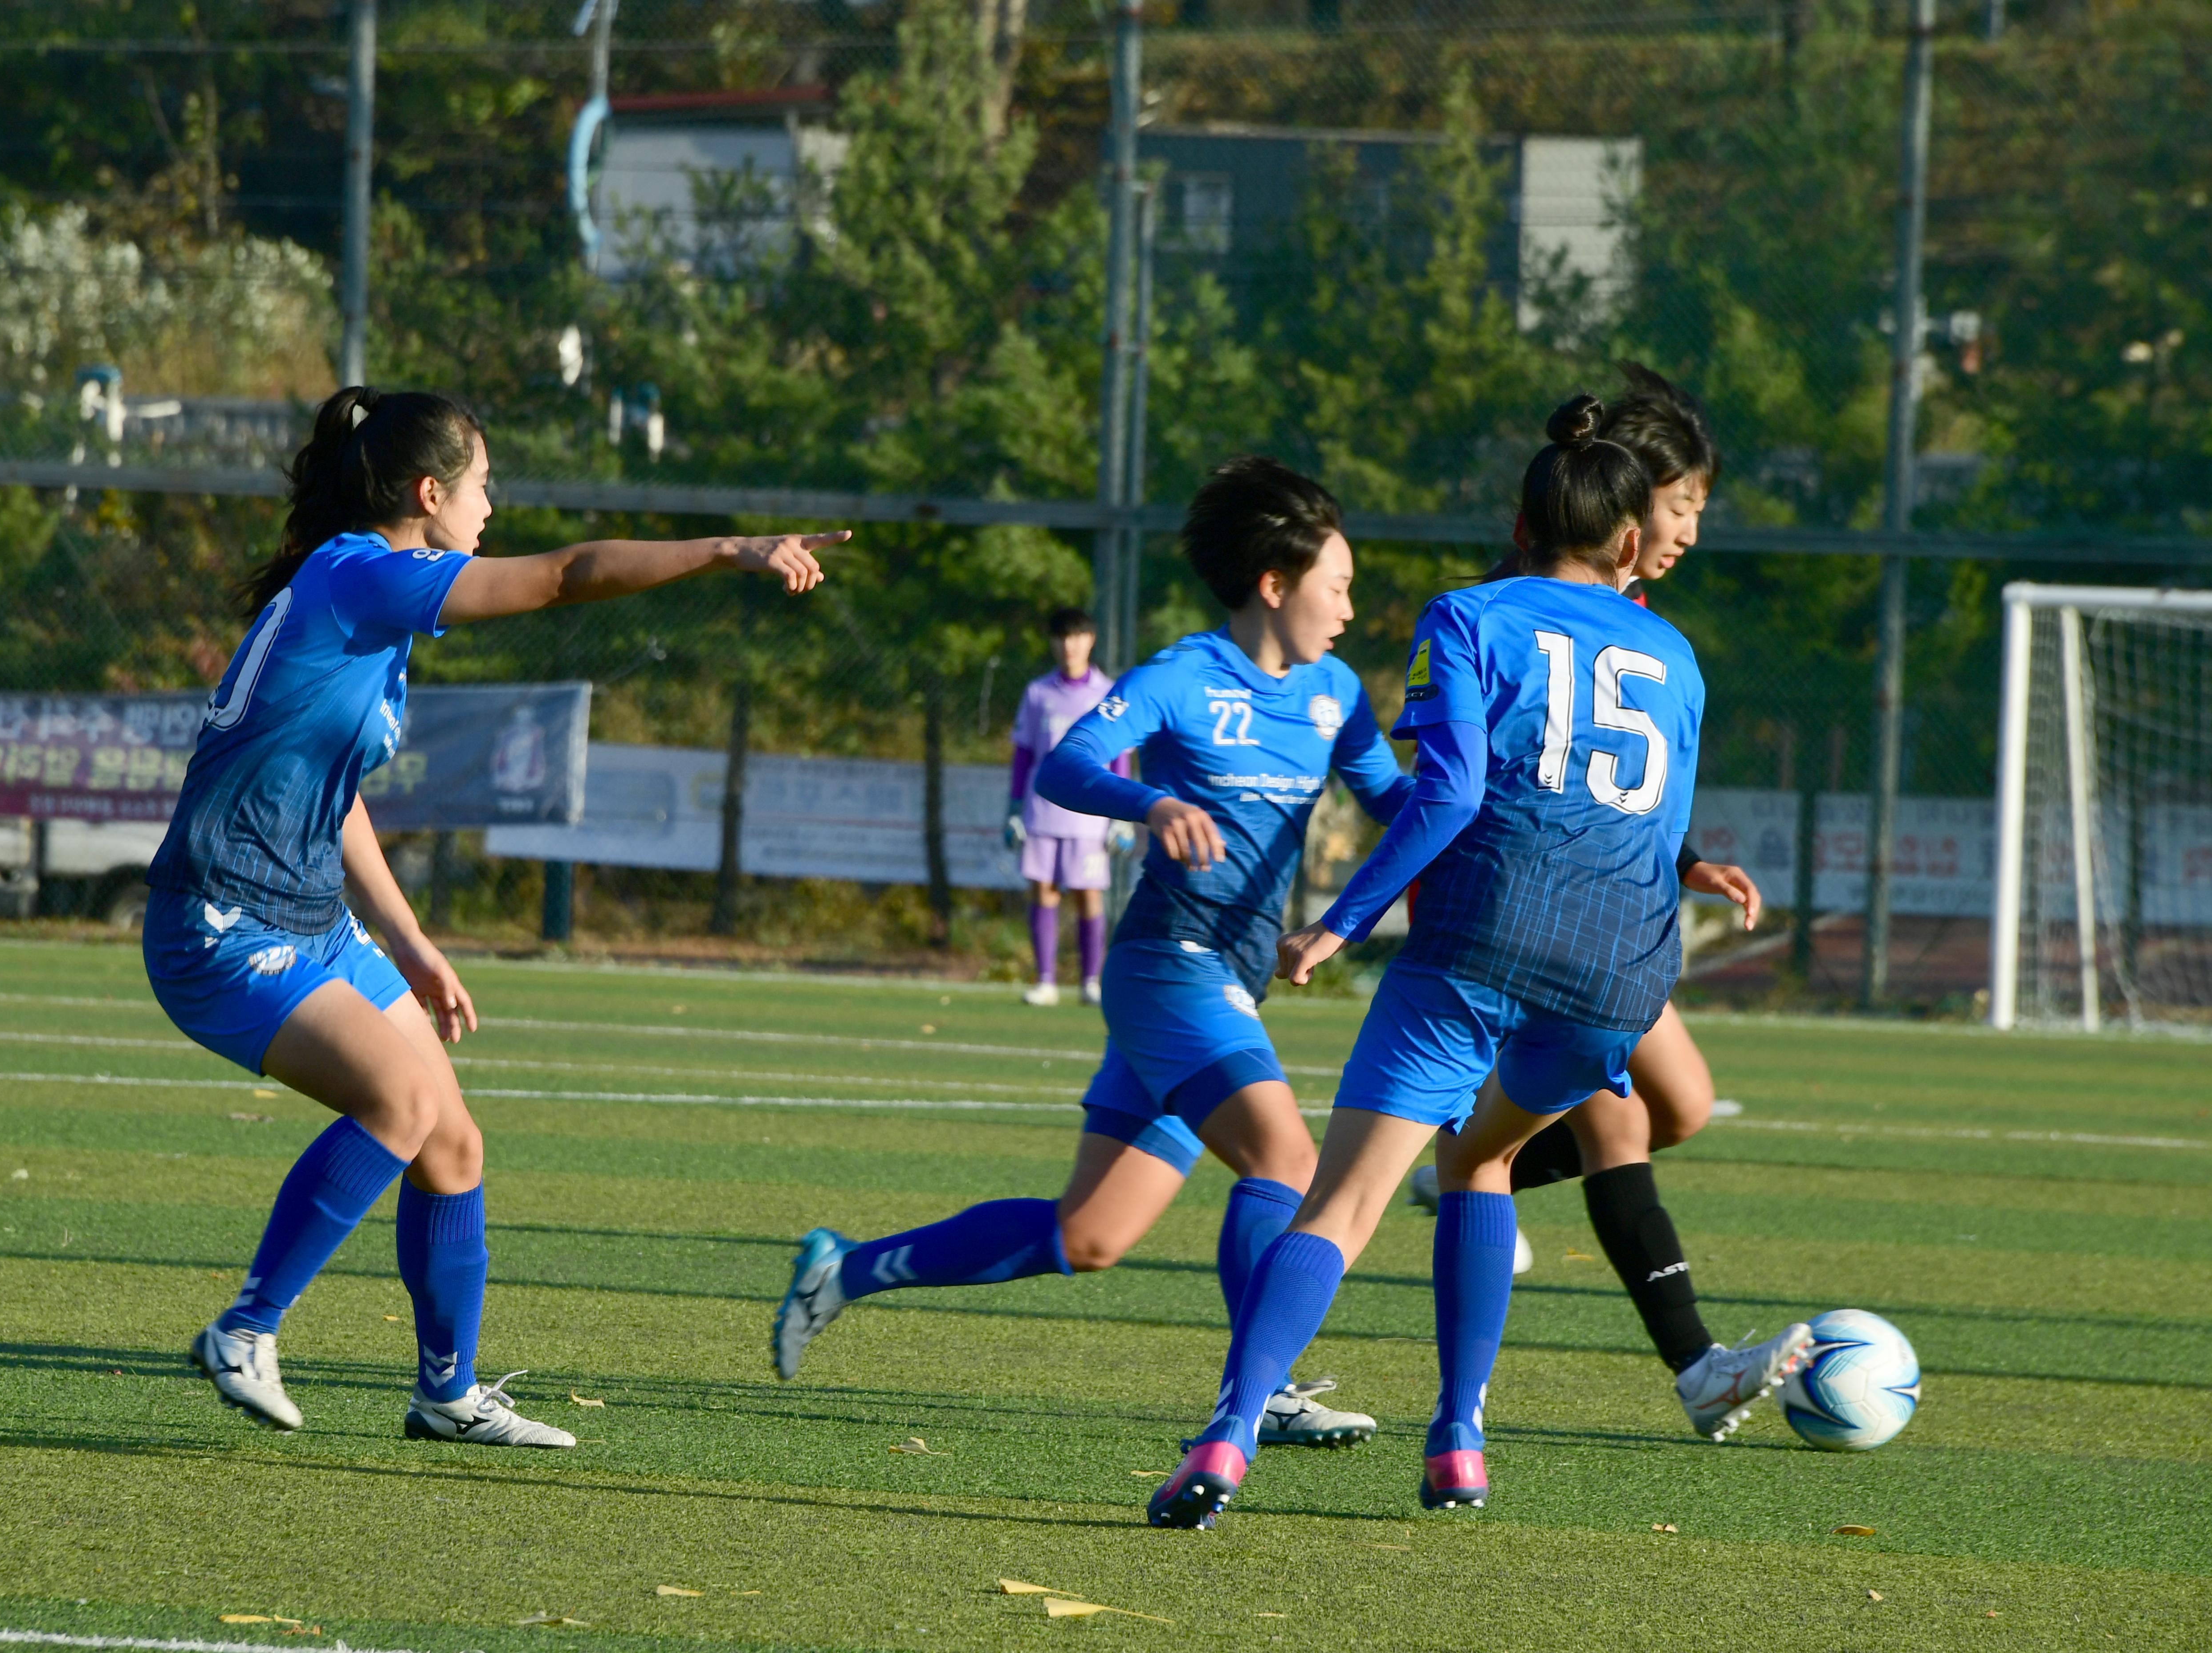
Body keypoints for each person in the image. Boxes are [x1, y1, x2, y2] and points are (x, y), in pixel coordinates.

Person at [1145, 395, 1808, 1529]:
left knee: (1342, 1205)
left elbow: (1448, 793)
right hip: (1617, 978)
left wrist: (1343, 922)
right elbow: (1653, 827)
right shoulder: (1677, 654)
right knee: (1480, 1163)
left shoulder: (1465, 615)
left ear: (1520, 514)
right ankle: (1458, 1440)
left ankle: (1227, 1434)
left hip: (1480, 939)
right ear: (1631, 543)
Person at [156, 386, 839, 1442]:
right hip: (222, 923)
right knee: (397, 1103)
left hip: (307, 915)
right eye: (483, 484)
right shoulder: (360, 575)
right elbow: (569, 576)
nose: (493, 506)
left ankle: (447, 1395)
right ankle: (245, 1328)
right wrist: (726, 551)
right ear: (429, 495)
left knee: (454, 1145)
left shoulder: (361, 596)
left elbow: (332, 804)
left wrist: (412, 943)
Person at [773, 457, 1412, 1449]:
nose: (1349, 608)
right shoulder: (1185, 676)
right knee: (1286, 1153)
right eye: (1338, 584)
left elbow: (1392, 798)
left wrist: (1498, 821)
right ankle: (1260, 1390)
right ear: (1275, 585)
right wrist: (1151, 799)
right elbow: (1071, 763)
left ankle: (842, 1270)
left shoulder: (1336, 693)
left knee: (1090, 1235)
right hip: (1169, 964)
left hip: (1228, 982)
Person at [1405, 364, 1794, 1441]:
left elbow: (1612, 773)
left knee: (1680, 1108)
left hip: (1608, 910)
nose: (1688, 534)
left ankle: (1469, 1168)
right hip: (1525, 923)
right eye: (1682, 508)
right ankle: (1698, 1366)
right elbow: (1496, 771)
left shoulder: (1634, 620)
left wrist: (1686, 861)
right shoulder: (1517, 604)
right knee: (1623, 1118)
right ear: (1626, 506)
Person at [1003, 607, 1131, 1007]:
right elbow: (1024, 754)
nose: (1068, 645)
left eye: (1077, 637)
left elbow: (1120, 756)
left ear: (1091, 641)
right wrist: (1013, 807)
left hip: (1091, 813)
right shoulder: (1038, 692)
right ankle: (1046, 980)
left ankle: (1091, 981)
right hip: (1043, 810)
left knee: (1088, 895)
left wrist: (1122, 816)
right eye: (1061, 638)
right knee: (1042, 892)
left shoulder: (1109, 692)